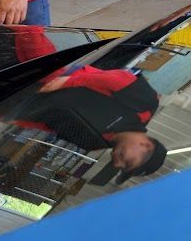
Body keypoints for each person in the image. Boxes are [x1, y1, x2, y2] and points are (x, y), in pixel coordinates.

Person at [11, 65, 167, 184]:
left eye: (122, 167)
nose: (117, 163)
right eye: (128, 162)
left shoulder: (93, 143)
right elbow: (120, 78)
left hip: (24, 101)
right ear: (147, 146)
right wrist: (67, 82)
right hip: (59, 73)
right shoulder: (145, 106)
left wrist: (12, 118)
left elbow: (49, 124)